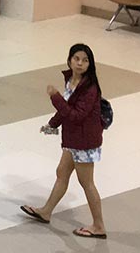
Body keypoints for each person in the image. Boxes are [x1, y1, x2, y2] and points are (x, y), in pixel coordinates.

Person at [20, 44, 107, 240]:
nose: (80, 63)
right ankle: (46, 212)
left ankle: (99, 226)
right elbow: (67, 109)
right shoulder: (71, 80)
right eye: (76, 58)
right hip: (74, 139)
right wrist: (52, 124)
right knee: (62, 173)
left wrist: (55, 97)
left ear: (90, 64)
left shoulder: (90, 88)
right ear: (69, 60)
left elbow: (76, 115)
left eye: (85, 60)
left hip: (85, 143)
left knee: (87, 183)